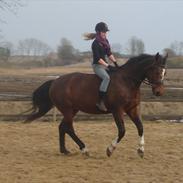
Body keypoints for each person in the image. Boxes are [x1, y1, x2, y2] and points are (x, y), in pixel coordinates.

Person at [83, 22, 119, 111]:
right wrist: (108, 66)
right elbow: (98, 59)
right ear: (99, 32)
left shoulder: (105, 41)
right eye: (103, 32)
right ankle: (100, 101)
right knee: (106, 78)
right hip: (98, 66)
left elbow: (109, 53)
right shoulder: (95, 44)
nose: (105, 33)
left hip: (104, 65)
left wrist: (115, 63)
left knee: (117, 75)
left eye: (106, 32)